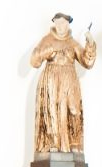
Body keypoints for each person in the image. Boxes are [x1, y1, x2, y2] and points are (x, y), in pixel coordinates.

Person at [30, 13, 96, 154]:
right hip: (52, 81)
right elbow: (34, 61)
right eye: (58, 23)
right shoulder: (47, 40)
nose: (60, 26)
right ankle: (53, 143)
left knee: (74, 111)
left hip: (69, 80)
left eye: (64, 23)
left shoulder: (73, 43)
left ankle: (73, 144)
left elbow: (87, 62)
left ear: (68, 24)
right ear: (54, 23)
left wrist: (90, 42)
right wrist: (45, 52)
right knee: (52, 111)